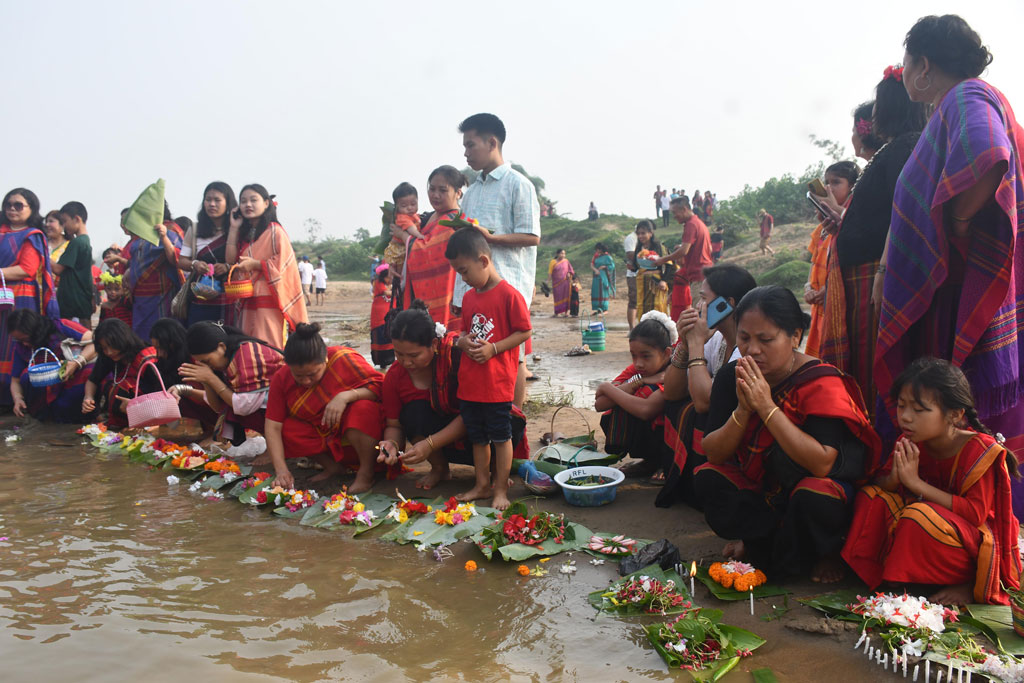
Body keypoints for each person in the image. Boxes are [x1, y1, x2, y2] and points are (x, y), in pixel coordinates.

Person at [876, 14, 1024, 518]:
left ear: (924, 65)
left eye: (907, 60)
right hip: (957, 286)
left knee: (959, 403)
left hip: (958, 290)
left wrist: (958, 224)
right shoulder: (973, 98)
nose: (905, 70)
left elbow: (988, 153)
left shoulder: (966, 97)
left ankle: (977, 523)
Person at [696, 286, 881, 582]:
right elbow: (714, 452)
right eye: (744, 338)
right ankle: (758, 541)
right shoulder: (733, 376)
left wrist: (766, 406)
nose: (753, 350)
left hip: (810, 487)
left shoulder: (821, 382)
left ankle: (825, 552)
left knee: (816, 495)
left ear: (795, 336)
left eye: (765, 339)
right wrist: (743, 411)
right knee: (708, 477)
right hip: (763, 487)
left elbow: (822, 463)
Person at [842, 358, 1021, 605]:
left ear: (955, 415)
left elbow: (975, 513)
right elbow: (885, 485)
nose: (905, 417)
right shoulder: (910, 441)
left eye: (918, 410)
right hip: (923, 534)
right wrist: (895, 479)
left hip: (970, 545)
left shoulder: (979, 451)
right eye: (901, 406)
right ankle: (887, 575)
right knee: (873, 498)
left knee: (919, 515)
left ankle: (968, 583)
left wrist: (917, 485)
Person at [819, 67, 929, 416]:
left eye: (880, 104)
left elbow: (903, 216)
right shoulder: (896, 148)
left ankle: (873, 441)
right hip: (864, 275)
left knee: (870, 361)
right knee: (861, 359)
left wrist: (883, 270)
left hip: (873, 276)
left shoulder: (904, 146)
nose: (874, 115)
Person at [377, 301, 530, 490]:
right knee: (413, 412)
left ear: (433, 344)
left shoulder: (457, 357)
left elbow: (473, 412)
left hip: (478, 433)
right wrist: (391, 444)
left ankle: (495, 471)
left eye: (414, 355)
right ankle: (440, 468)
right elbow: (394, 425)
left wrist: (431, 443)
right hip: (444, 445)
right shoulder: (395, 375)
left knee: (503, 419)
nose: (406, 362)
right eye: (399, 354)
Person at [454, 113, 541, 410]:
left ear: (492, 142)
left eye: (470, 145)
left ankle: (513, 424)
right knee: (478, 352)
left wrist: (490, 238)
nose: (466, 152)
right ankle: (489, 420)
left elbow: (531, 236)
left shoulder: (519, 185)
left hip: (507, 286)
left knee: (511, 356)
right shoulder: (473, 191)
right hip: (474, 289)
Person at [445, 227, 532, 510]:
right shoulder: (469, 298)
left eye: (464, 270)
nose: (463, 278)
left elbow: (524, 332)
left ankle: (499, 489)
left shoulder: (509, 295)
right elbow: (467, 333)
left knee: (500, 437)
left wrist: (494, 349)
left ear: (483, 261)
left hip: (496, 385)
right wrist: (462, 342)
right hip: (471, 383)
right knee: (478, 438)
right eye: (459, 272)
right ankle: (481, 484)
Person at [659, 264, 758, 507]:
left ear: (728, 304)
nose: (697, 307)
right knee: (677, 406)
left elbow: (705, 403)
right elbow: (672, 392)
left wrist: (695, 344)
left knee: (698, 413)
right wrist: (685, 342)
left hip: (745, 434)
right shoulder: (718, 341)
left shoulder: (746, 349)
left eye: (703, 299)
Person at [264, 322, 386, 492]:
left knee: (363, 409)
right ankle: (333, 467)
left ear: (326, 360)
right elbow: (273, 426)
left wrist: (346, 396)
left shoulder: (342, 358)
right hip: (324, 441)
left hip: (361, 440)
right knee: (287, 429)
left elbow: (381, 389)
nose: (306, 381)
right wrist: (282, 471)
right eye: (299, 376)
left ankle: (366, 473)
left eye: (313, 374)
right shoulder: (281, 378)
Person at [226, 184, 307, 349]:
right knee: (247, 347)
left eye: (253, 200)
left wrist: (255, 264)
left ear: (266, 203)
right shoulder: (245, 235)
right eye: (243, 201)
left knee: (269, 347)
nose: (248, 204)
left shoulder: (275, 232)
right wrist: (234, 228)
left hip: (269, 300)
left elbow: (284, 266)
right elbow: (229, 260)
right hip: (247, 300)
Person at [179, 321, 285, 447]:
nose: (207, 366)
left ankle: (275, 445)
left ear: (222, 347)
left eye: (207, 361)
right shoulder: (228, 360)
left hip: (291, 405)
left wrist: (212, 379)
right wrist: (206, 381)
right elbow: (219, 407)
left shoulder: (247, 354)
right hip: (274, 407)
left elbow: (243, 406)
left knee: (237, 407)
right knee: (229, 406)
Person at [597, 312, 676, 481]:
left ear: (667, 353)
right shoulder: (638, 371)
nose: (638, 363)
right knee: (623, 400)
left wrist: (607, 387)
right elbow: (600, 403)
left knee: (633, 398)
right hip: (649, 429)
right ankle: (650, 461)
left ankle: (664, 462)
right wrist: (638, 382)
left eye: (646, 356)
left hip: (670, 437)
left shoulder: (674, 372)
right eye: (634, 355)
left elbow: (646, 410)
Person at [0, 188, 60, 406]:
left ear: (31, 208)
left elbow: (27, 268)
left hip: (20, 299)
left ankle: (15, 397)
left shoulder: (32, 235)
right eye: (8, 205)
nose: (12, 209)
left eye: (19, 205)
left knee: (15, 342)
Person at [402, 165, 466, 332]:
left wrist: (404, 238)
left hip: (448, 294)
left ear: (458, 192)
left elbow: (425, 252)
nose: (435, 195)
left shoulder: (456, 221)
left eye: (443, 190)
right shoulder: (428, 217)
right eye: (432, 189)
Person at [805, 161, 858, 358]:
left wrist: (828, 289)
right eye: (826, 182)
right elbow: (813, 261)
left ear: (852, 187)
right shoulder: (822, 229)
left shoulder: (853, 224)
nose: (828, 188)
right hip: (818, 306)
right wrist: (808, 288)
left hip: (838, 300)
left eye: (836, 182)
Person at [109, 202, 185, 340]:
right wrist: (129, 269)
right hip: (140, 298)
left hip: (163, 295)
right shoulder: (142, 233)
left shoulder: (171, 230)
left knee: (163, 336)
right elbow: (137, 259)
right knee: (142, 337)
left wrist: (163, 237)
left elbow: (179, 259)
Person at [7, 308, 96, 421]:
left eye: (26, 339)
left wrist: (77, 363)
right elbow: (15, 380)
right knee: (26, 375)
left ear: (36, 331)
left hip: (73, 379)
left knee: (91, 372)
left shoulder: (61, 326)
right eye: (20, 340)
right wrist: (18, 399)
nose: (24, 343)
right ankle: (42, 416)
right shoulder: (21, 347)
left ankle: (87, 414)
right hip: (46, 389)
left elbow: (95, 342)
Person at [82, 318, 161, 429]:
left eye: (112, 346)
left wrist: (137, 406)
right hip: (123, 410)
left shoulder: (145, 358)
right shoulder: (107, 356)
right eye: (104, 348)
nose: (109, 352)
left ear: (122, 341)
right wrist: (88, 397)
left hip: (149, 409)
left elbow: (161, 395)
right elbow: (93, 380)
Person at [148, 318, 219, 439]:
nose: (159, 354)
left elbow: (215, 397)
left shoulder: (195, 359)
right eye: (156, 349)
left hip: (216, 412)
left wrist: (182, 389)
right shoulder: (164, 362)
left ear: (173, 343)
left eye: (161, 348)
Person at [178, 182, 236, 326]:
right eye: (208, 199)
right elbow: (182, 261)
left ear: (228, 203)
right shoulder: (195, 229)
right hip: (200, 296)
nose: (211, 204)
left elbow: (244, 260)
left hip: (230, 296)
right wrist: (195, 264)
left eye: (217, 200)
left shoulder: (237, 229)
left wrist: (228, 267)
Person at [652, 195, 712, 320]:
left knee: (699, 315)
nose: (674, 216)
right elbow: (708, 249)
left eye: (675, 213)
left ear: (684, 209)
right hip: (705, 274)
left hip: (698, 276)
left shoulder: (691, 224)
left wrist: (662, 260)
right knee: (704, 313)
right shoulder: (699, 223)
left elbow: (684, 251)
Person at [51, 202, 94, 330]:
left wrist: (42, 254)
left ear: (76, 219)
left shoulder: (77, 243)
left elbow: (58, 269)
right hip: (81, 298)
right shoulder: (85, 241)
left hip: (73, 300)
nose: (63, 226)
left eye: (64, 221)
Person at [386, 182, 420, 287]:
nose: (409, 208)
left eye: (413, 204)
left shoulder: (417, 216)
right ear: (397, 206)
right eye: (404, 206)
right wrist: (420, 236)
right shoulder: (402, 218)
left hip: (404, 250)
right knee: (401, 274)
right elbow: (411, 228)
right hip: (399, 250)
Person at [633, 220, 668, 317]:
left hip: (656, 285)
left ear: (651, 233)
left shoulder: (659, 247)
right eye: (638, 234)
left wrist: (664, 281)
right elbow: (636, 266)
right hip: (642, 286)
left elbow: (669, 265)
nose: (640, 236)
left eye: (643, 233)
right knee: (642, 310)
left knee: (657, 311)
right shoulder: (639, 248)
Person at [370, 264, 394, 368]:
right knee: (380, 334)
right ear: (383, 277)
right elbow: (387, 292)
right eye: (388, 277)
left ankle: (390, 360)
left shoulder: (389, 284)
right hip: (379, 314)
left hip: (388, 313)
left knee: (389, 334)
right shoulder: (378, 283)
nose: (390, 279)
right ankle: (382, 361)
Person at [589, 243, 615, 316]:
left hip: (603, 277)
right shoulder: (597, 256)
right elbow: (592, 264)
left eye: (598, 249)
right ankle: (598, 309)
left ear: (601, 249)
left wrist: (604, 267)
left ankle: (605, 309)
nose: (597, 250)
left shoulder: (608, 257)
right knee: (596, 292)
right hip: (596, 277)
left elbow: (612, 266)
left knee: (603, 292)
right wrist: (595, 270)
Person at [548, 248, 574, 317]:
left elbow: (571, 270)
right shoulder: (553, 262)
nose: (563, 255)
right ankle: (557, 312)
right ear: (557, 254)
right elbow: (550, 273)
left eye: (564, 254)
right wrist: (547, 281)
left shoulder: (566, 261)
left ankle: (566, 312)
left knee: (567, 296)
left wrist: (569, 273)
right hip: (556, 284)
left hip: (566, 282)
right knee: (557, 297)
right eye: (561, 253)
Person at [44, 210, 67, 278]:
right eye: (46, 222)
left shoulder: (70, 246)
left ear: (62, 225)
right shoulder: (41, 244)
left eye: (51, 221)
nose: (47, 225)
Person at [623, 229, 638, 330]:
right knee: (634, 301)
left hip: (644, 273)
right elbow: (630, 254)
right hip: (634, 274)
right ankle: (632, 328)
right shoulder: (631, 238)